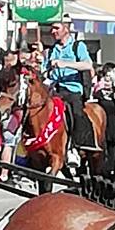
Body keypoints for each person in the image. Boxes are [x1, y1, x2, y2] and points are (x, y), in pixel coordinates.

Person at [42, 20, 98, 151]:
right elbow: (44, 71)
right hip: (55, 89)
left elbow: (87, 65)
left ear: (66, 29)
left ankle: (77, 146)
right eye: (52, 29)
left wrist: (65, 64)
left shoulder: (78, 46)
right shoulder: (51, 50)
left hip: (73, 89)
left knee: (76, 113)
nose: (52, 31)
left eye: (56, 28)